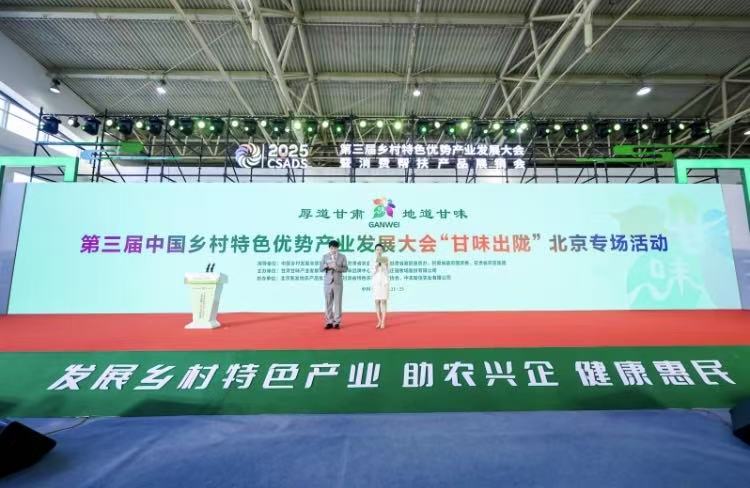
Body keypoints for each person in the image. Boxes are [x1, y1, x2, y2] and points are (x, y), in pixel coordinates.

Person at [320, 240, 348, 329]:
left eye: (335, 248)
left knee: (338, 302)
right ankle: (329, 321)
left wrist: (337, 267)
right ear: (329, 248)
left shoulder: (342, 257)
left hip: (338, 282)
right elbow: (320, 268)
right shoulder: (325, 256)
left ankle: (337, 322)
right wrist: (327, 265)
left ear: (337, 248)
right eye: (332, 248)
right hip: (328, 283)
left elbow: (345, 268)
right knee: (328, 302)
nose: (333, 250)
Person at [371, 243, 390, 329]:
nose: (379, 251)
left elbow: (388, 272)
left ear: (382, 251)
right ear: (375, 251)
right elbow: (371, 272)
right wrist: (376, 266)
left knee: (383, 301)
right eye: (377, 249)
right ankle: (379, 320)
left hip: (384, 282)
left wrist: (384, 266)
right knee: (376, 301)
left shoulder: (385, 259)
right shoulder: (372, 260)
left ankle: (383, 321)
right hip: (376, 282)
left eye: (380, 250)